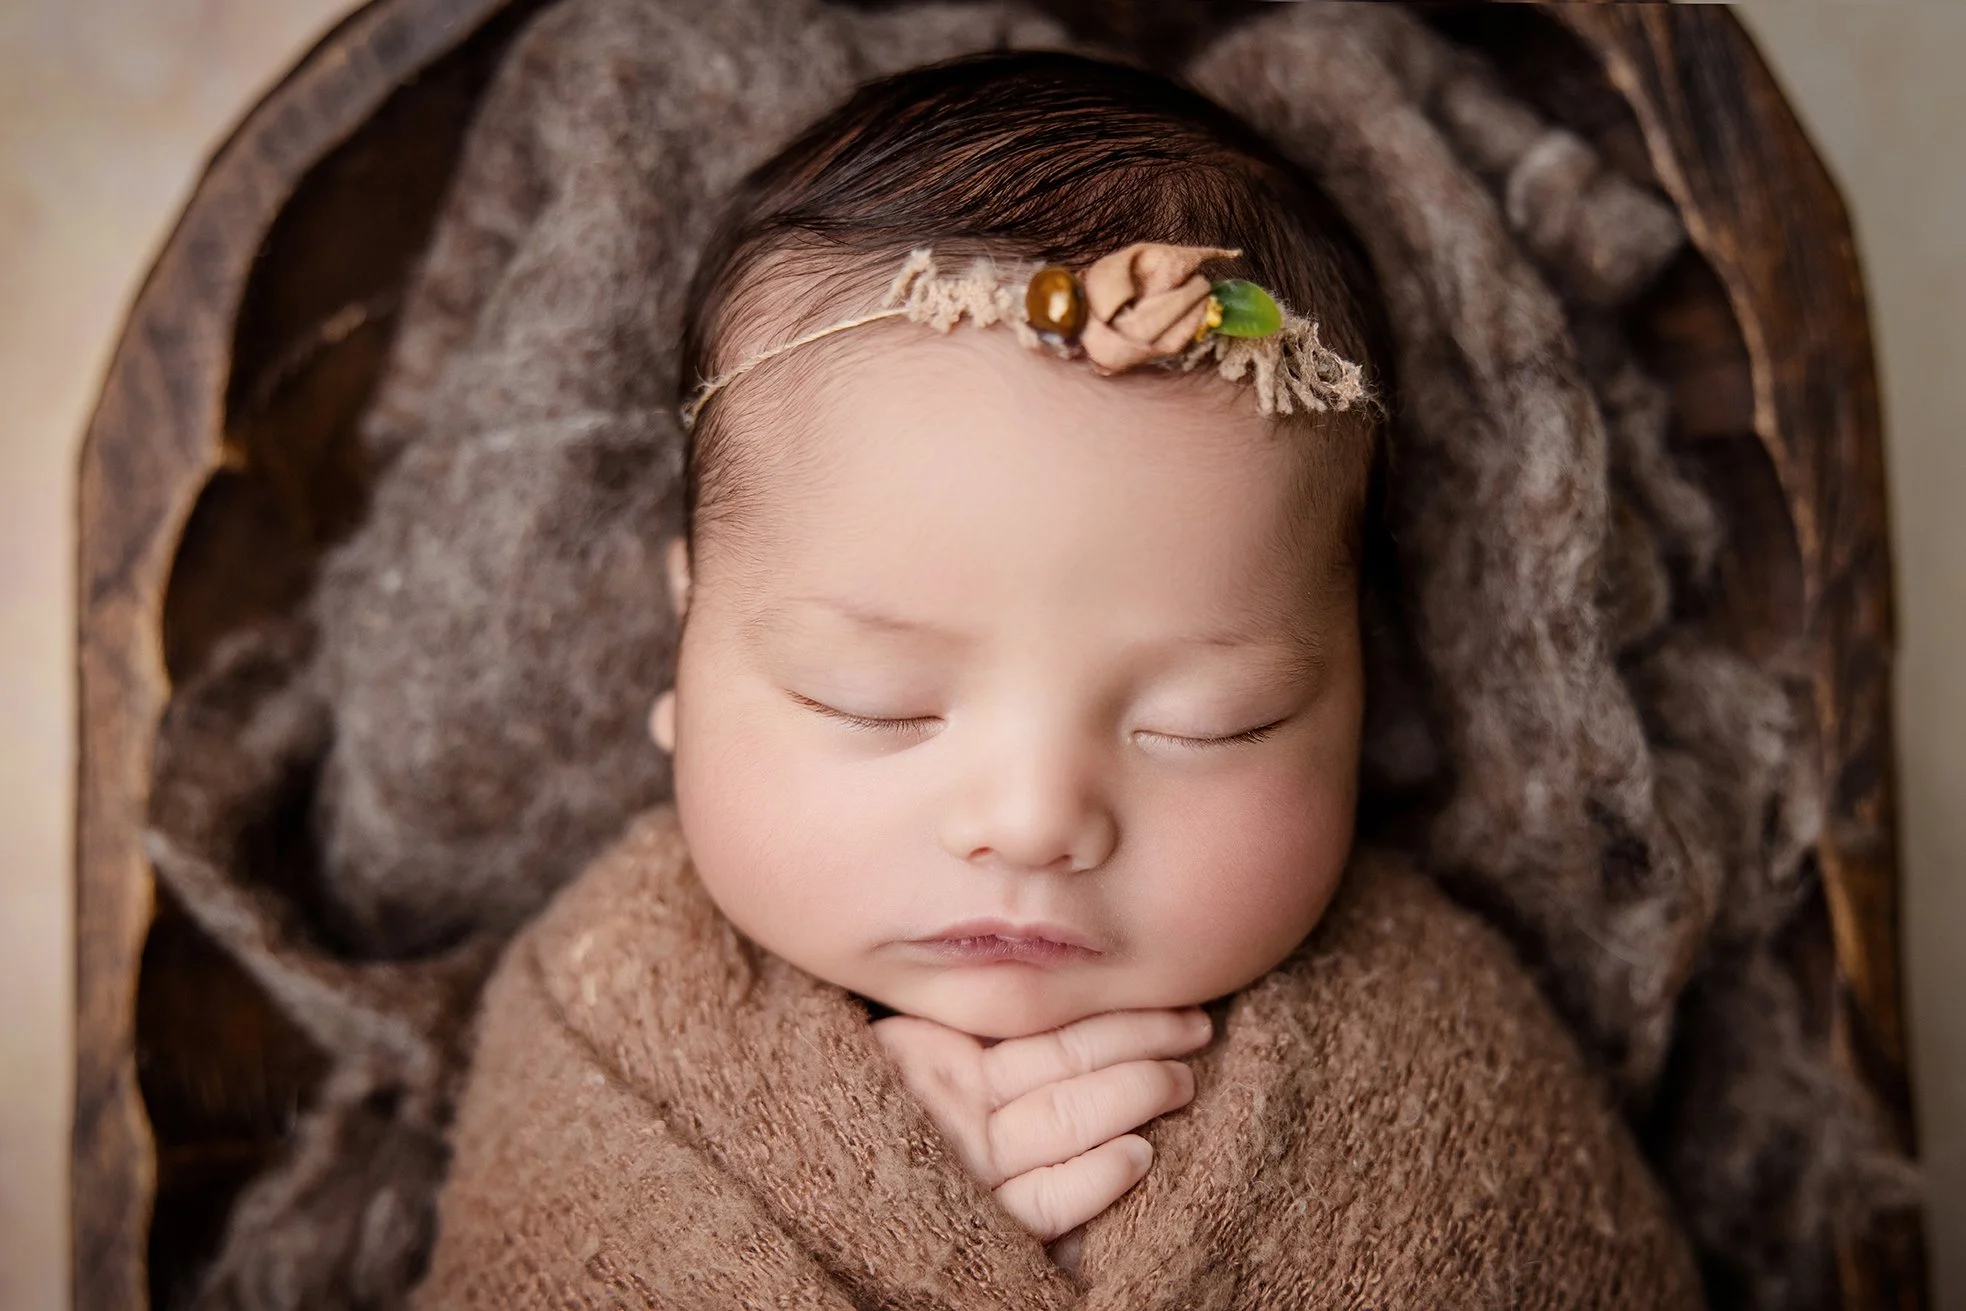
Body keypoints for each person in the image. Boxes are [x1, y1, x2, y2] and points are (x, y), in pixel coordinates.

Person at [411, 49, 1704, 1307]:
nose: (1032, 820)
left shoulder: (1441, 1060)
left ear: (1362, 691)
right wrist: (877, 1206)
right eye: (875, 701)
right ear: (686, 646)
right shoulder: (596, 1018)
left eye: (1207, 724)